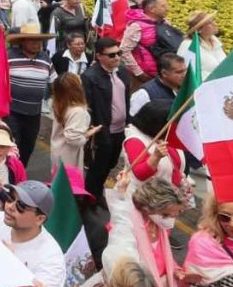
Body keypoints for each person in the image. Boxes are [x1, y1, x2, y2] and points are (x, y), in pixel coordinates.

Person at [103, 174, 189, 287]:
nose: (170, 220)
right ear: (150, 209)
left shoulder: (159, 225)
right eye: (166, 215)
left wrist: (175, 270)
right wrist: (120, 191)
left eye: (175, 215)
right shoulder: (129, 229)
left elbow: (165, 256)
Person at [81, 37, 131, 201]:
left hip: (120, 129)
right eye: (111, 55)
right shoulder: (90, 77)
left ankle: (97, 191)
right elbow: (87, 105)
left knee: (111, 163)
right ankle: (90, 198)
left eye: (118, 53)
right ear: (99, 56)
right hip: (102, 131)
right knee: (98, 167)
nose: (116, 57)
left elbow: (126, 99)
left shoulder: (122, 72)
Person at [5, 22, 56, 166]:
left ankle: (20, 174)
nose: (37, 44)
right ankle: (10, 175)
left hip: (34, 115)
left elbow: (54, 83)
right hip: (12, 113)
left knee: (27, 149)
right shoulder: (9, 57)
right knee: (12, 148)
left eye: (39, 40)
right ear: (23, 41)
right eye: (32, 40)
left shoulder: (46, 59)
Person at [120, 0, 184, 92]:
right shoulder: (136, 26)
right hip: (144, 78)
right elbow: (124, 50)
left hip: (165, 75)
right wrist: (139, 73)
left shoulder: (165, 23)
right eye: (163, 6)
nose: (167, 9)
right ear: (151, 9)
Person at [123, 100, 187, 191]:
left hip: (168, 194)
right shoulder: (135, 141)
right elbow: (140, 174)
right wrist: (155, 157)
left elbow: (175, 167)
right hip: (145, 196)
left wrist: (182, 183)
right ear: (158, 124)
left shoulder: (165, 137)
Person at [50, 72, 100, 172]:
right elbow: (73, 139)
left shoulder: (58, 103)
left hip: (57, 150)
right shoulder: (78, 111)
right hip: (68, 157)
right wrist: (88, 134)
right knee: (68, 181)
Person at [129, 53, 186, 118]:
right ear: (164, 73)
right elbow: (134, 120)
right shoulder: (144, 94)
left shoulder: (187, 88)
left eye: (185, 71)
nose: (184, 75)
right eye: (179, 72)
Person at [178, 11, 225, 81]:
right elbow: (187, 73)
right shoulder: (188, 45)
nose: (215, 24)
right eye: (210, 23)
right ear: (199, 29)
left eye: (213, 21)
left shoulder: (216, 42)